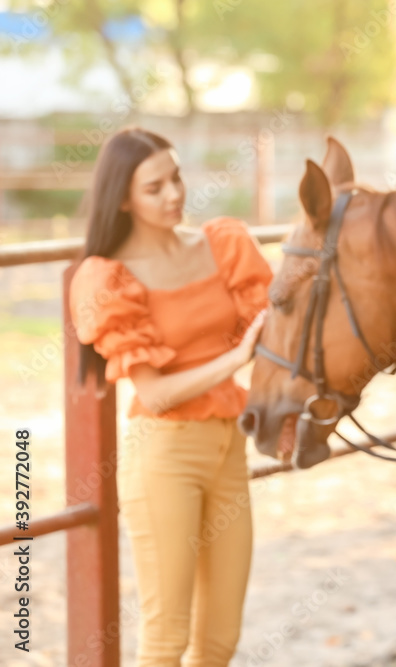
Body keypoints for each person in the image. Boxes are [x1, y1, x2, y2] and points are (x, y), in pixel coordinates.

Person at [69, 126, 272, 666]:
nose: (174, 194)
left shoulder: (224, 243)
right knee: (165, 637)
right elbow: (154, 394)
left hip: (229, 448)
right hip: (165, 456)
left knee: (220, 638)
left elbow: (277, 330)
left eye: (176, 178)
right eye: (154, 187)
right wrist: (234, 361)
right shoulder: (106, 278)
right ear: (122, 198)